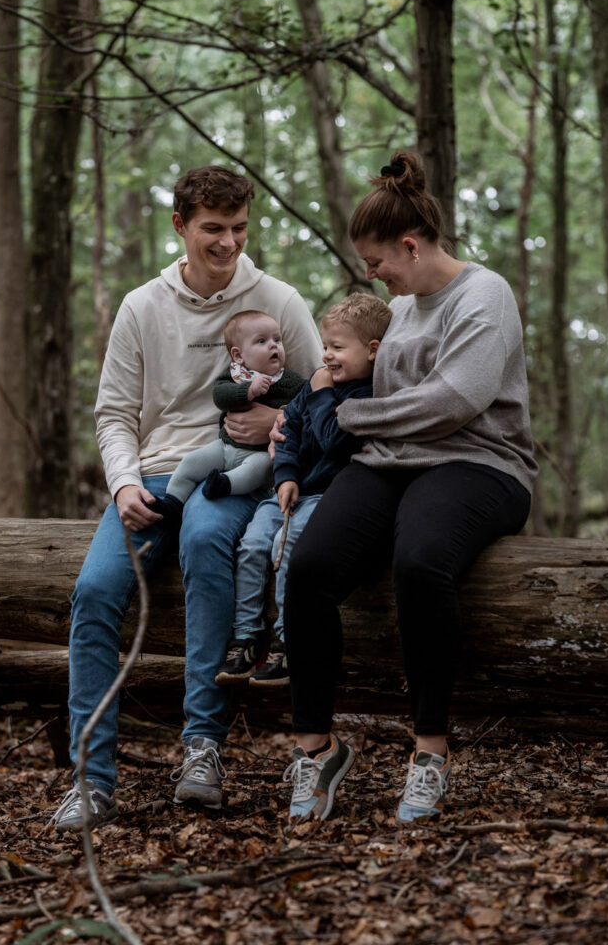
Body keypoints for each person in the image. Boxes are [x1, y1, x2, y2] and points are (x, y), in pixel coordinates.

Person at [51, 165, 322, 831]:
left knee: (206, 543)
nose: (227, 243)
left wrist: (275, 427)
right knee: (94, 591)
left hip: (233, 477)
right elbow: (114, 413)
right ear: (180, 226)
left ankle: (202, 748)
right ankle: (91, 777)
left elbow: (322, 394)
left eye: (237, 228)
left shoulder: (278, 300)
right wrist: (120, 483)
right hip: (150, 477)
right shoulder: (144, 305)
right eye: (212, 229)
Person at [281, 151, 537, 825]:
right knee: (307, 568)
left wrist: (353, 416)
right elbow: (367, 382)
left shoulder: (485, 295)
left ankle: (430, 751)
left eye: (377, 261)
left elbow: (458, 399)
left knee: (419, 562)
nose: (373, 275)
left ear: (411, 244)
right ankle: (316, 746)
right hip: (390, 459)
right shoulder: (404, 304)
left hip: (480, 463)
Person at [215, 293, 392, 688]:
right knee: (254, 543)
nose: (327, 356)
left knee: (289, 545)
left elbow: (333, 439)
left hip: (329, 497)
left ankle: (287, 638)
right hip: (293, 489)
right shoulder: (317, 383)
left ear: (372, 350)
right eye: (325, 346)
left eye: (338, 348)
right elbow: (289, 428)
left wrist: (322, 390)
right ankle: (246, 634)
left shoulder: (367, 396)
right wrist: (286, 475)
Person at [150, 310, 305, 526]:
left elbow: (305, 407)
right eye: (261, 341)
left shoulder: (291, 381)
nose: (273, 345)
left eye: (277, 339)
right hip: (225, 447)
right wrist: (247, 391)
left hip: (261, 455)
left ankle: (224, 484)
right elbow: (220, 396)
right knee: (190, 463)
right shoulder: (235, 376)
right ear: (238, 355)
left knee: (255, 472)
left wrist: (282, 414)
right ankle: (173, 502)